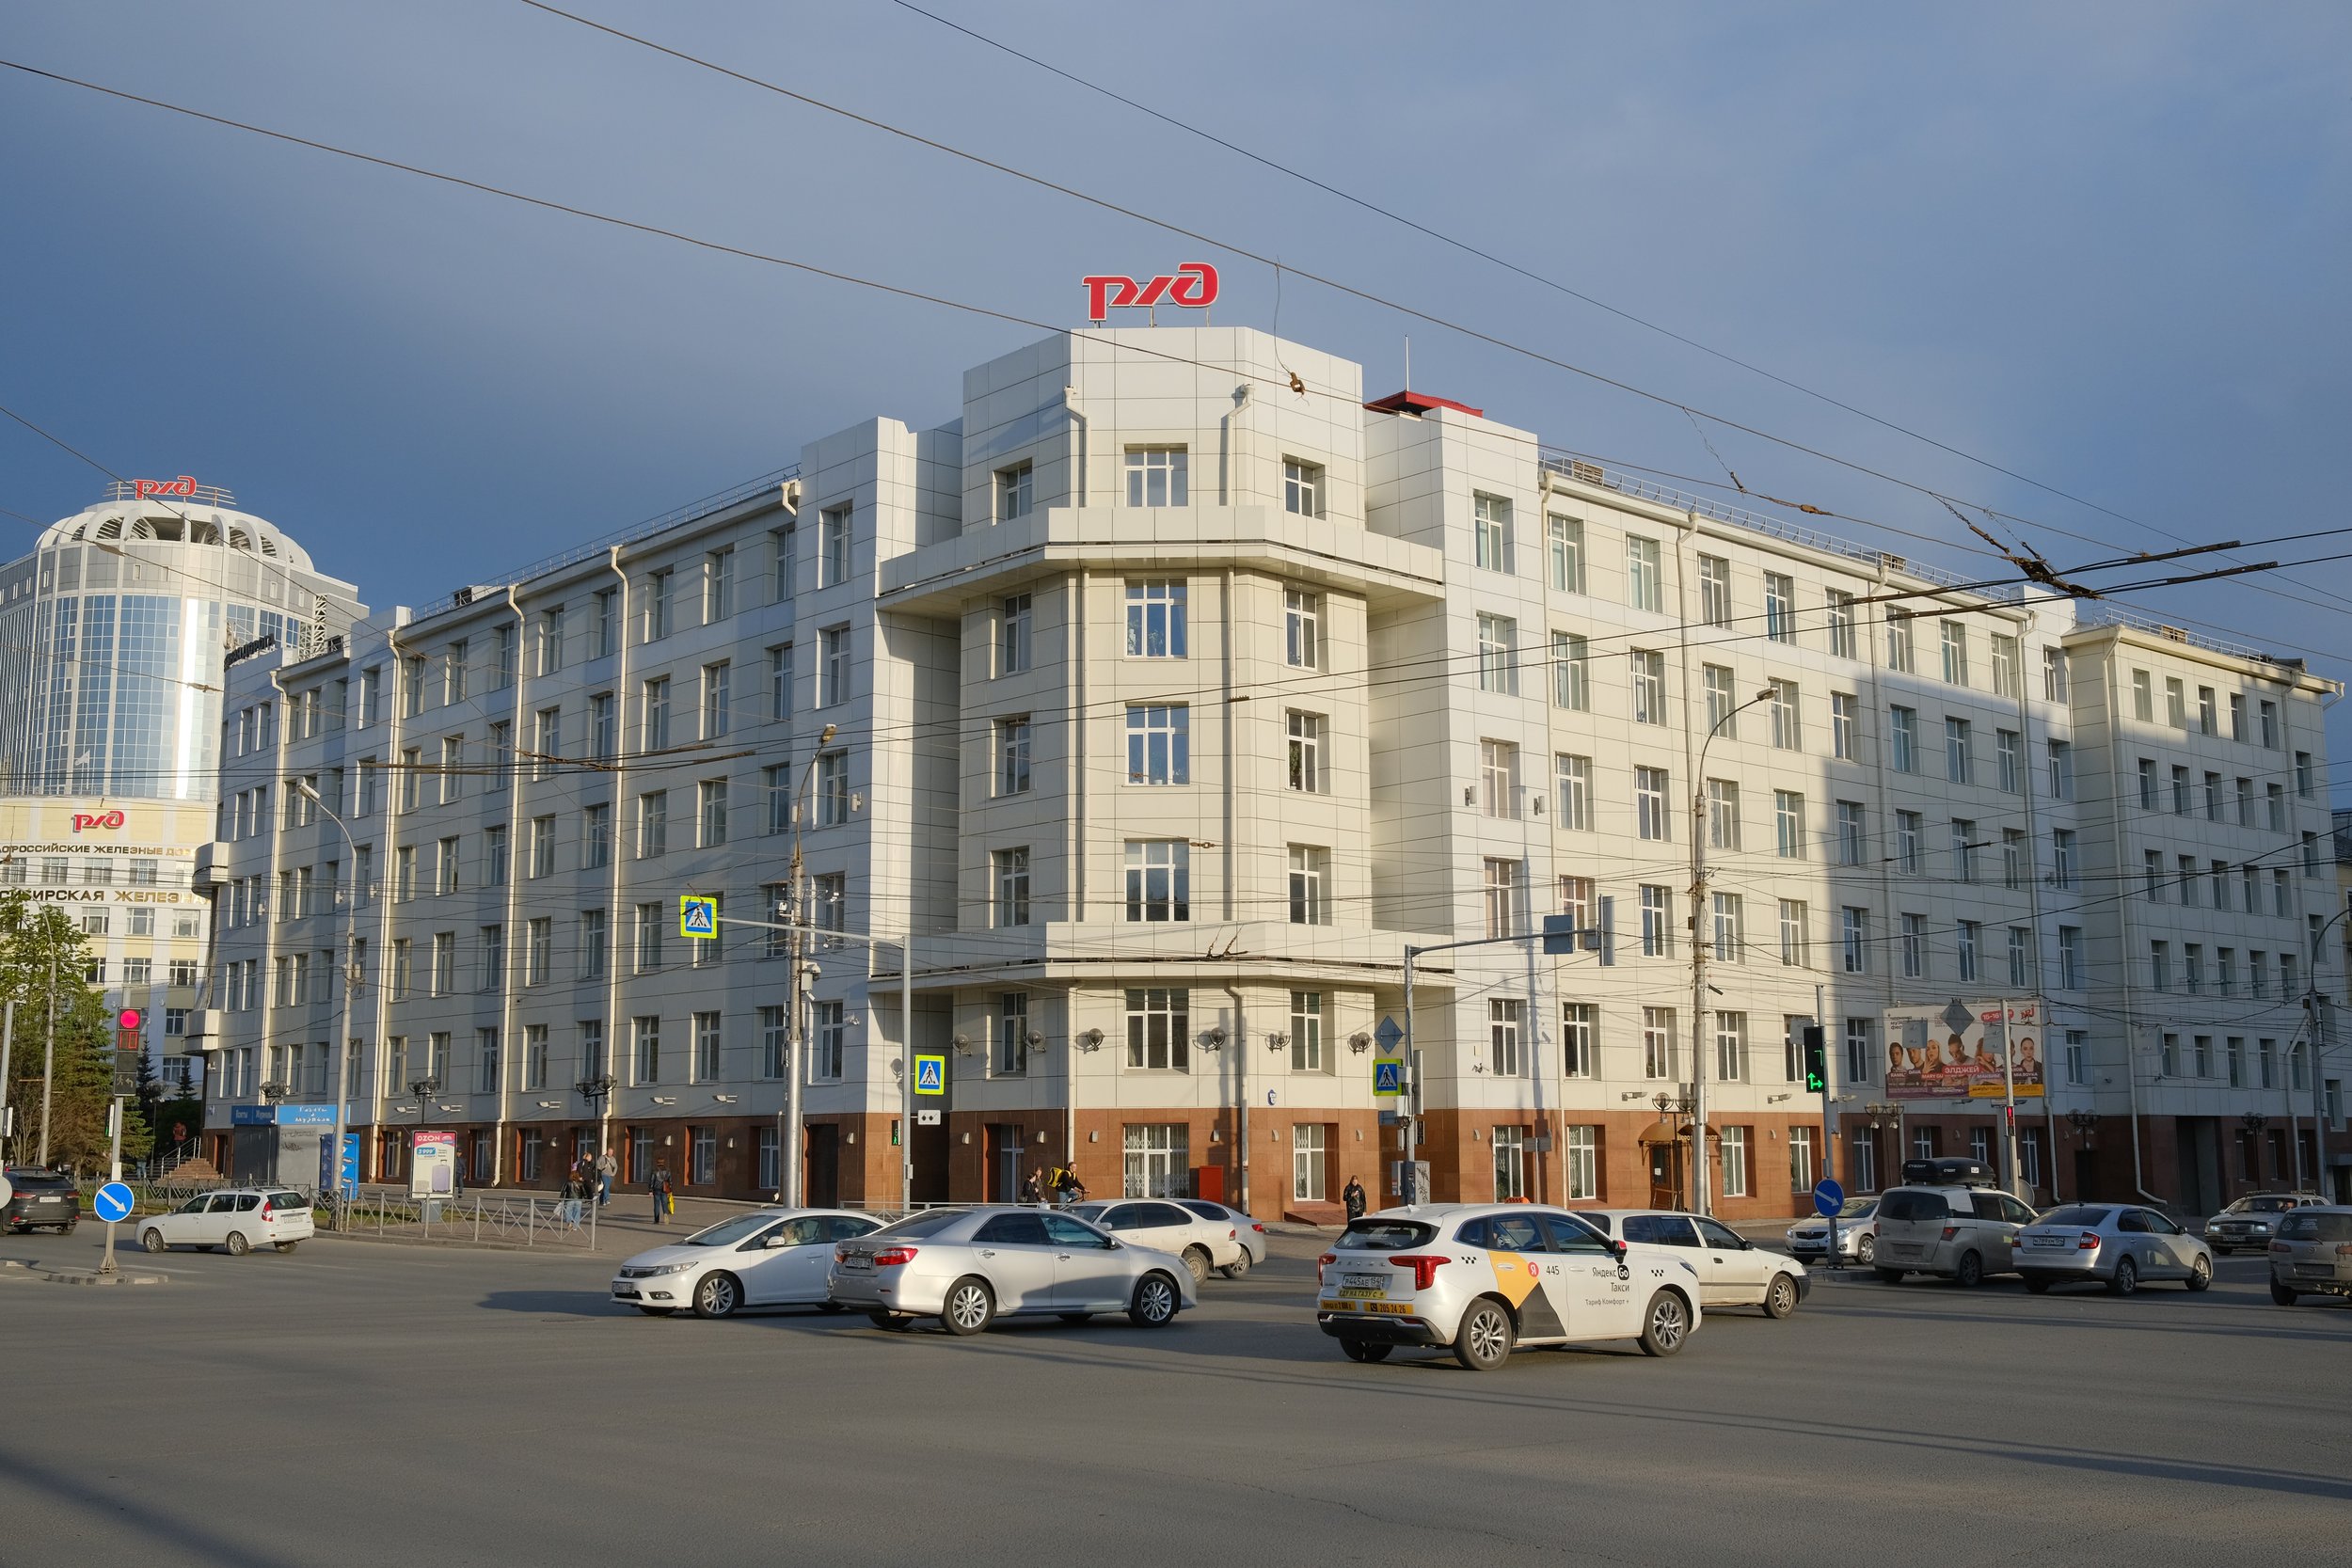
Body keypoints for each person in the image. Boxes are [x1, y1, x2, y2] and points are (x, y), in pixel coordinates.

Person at [649, 1161, 673, 1225]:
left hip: (656, 1189)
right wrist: (670, 1190)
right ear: (663, 1163)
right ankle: (665, 1214)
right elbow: (670, 1181)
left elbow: (652, 1180)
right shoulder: (667, 1171)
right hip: (664, 1189)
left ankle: (656, 1220)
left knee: (656, 1205)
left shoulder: (654, 1171)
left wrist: (650, 1190)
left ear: (657, 1163)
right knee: (664, 1203)